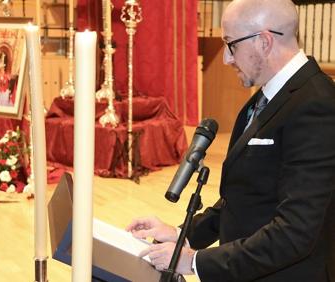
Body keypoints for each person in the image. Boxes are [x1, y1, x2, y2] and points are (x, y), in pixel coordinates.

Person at [126, 0, 335, 281]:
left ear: (264, 41)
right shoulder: (265, 97)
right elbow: (243, 196)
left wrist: (195, 263)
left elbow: (295, 232)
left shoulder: (317, 104)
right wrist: (181, 235)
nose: (226, 58)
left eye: (231, 44)